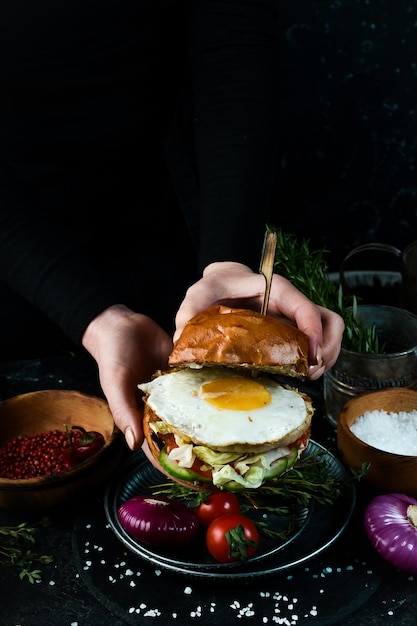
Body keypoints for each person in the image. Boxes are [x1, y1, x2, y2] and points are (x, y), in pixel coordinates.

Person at [0, 1, 344, 451]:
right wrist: (91, 315)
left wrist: (225, 263)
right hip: (15, 273)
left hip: (164, 247)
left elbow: (231, 42)